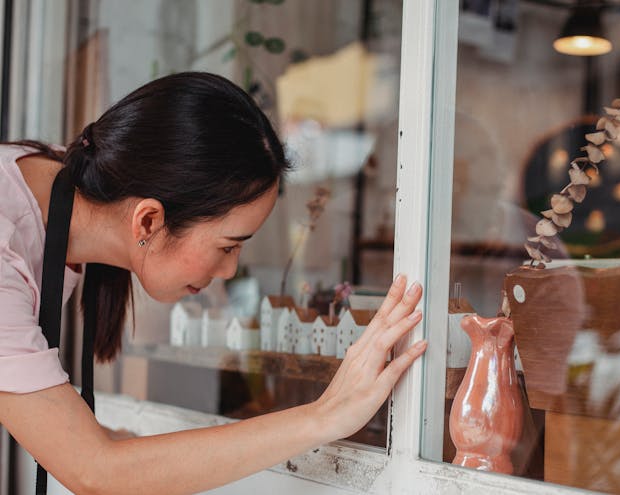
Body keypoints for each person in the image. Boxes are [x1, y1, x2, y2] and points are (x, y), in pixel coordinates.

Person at [0, 72, 426, 494]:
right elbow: (94, 471)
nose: (228, 271)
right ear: (148, 219)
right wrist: (326, 416)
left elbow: (81, 448)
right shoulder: (7, 238)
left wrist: (124, 446)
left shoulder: (75, 186)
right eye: (227, 246)